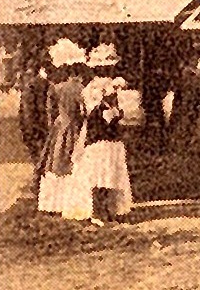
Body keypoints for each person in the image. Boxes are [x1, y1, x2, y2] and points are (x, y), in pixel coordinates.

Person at [77, 44, 133, 221]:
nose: (106, 73)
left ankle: (110, 209)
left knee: (111, 173)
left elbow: (121, 111)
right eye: (102, 69)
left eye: (108, 69)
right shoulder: (90, 89)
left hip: (111, 135)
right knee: (99, 173)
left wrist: (116, 111)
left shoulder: (113, 86)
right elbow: (88, 112)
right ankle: (98, 211)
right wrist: (104, 103)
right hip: (98, 135)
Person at [37, 44, 91, 217]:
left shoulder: (57, 88)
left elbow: (50, 110)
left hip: (60, 127)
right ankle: (70, 200)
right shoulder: (81, 89)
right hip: (75, 127)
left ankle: (54, 202)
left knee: (56, 162)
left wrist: (54, 123)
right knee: (72, 162)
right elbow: (83, 112)